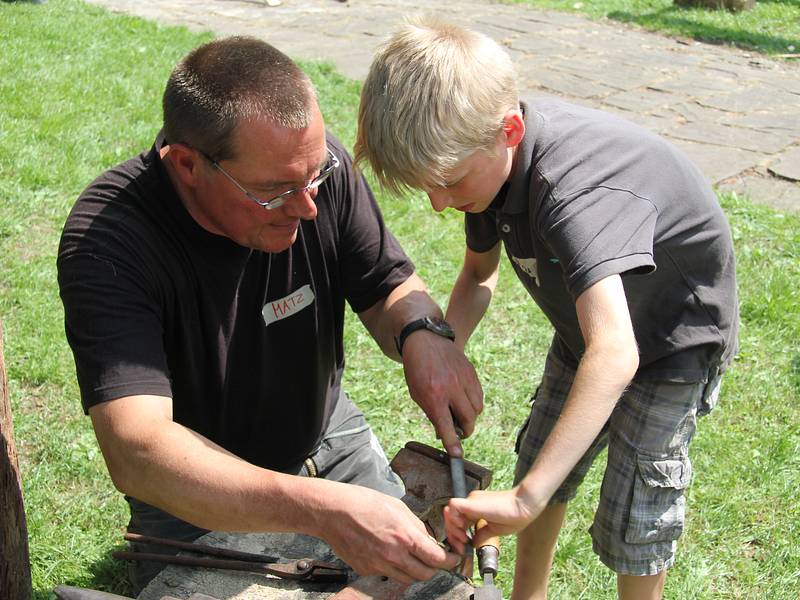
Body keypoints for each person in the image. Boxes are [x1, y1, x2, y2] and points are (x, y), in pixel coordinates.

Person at [57, 35, 484, 594]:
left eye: (313, 178)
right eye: (273, 191)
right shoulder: (111, 239)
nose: (306, 206)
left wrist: (423, 332)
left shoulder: (311, 169)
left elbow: (387, 283)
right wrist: (321, 510)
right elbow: (139, 450)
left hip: (332, 445)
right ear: (187, 164)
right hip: (201, 495)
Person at [355, 20, 738, 600]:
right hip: (588, 330)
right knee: (541, 463)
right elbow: (478, 277)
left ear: (508, 131)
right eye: (428, 187)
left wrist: (522, 500)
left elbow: (616, 354)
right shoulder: (485, 167)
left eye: (448, 183)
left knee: (635, 511)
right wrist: (446, 354)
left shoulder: (572, 194)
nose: (438, 204)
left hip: (669, 340)